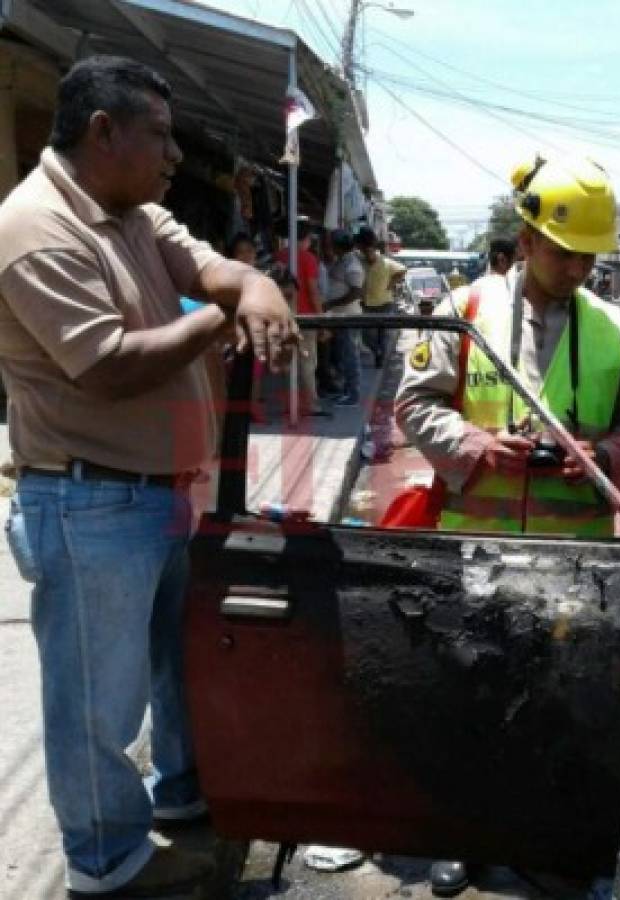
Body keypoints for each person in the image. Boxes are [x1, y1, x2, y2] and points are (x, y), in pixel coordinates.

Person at [0, 56, 297, 897]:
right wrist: (215, 321)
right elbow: (105, 365)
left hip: (156, 493)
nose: (173, 156)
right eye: (160, 137)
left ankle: (181, 801)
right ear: (104, 131)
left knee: (179, 665)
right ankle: (106, 867)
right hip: (88, 500)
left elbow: (213, 268)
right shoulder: (33, 229)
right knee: (97, 707)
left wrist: (256, 283)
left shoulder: (131, 212)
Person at [396, 154, 620, 895]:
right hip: (475, 549)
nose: (577, 266)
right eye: (563, 250)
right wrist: (475, 445)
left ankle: (554, 842)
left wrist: (603, 452)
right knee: (468, 698)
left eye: (588, 255)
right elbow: (414, 405)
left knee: (563, 705)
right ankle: (463, 835)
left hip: (575, 558)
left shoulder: (614, 325)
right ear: (526, 233)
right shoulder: (464, 312)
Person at [274, 218, 326, 416]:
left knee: (288, 362)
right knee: (307, 362)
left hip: (283, 315)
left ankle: (291, 404)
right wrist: (322, 321)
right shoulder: (308, 258)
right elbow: (313, 291)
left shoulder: (279, 256)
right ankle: (311, 404)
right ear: (305, 239)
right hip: (306, 317)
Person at [324, 228, 365, 406]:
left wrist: (332, 304)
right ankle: (346, 391)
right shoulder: (342, 261)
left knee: (350, 356)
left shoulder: (352, 265)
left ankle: (353, 395)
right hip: (340, 316)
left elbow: (357, 293)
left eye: (331, 243)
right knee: (342, 355)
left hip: (349, 316)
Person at [356, 226, 406, 367]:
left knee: (383, 334)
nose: (368, 254)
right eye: (365, 252)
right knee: (367, 335)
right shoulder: (360, 260)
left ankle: (380, 357)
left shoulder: (386, 262)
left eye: (370, 251)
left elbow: (402, 270)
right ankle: (376, 350)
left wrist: (391, 283)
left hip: (384, 303)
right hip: (366, 304)